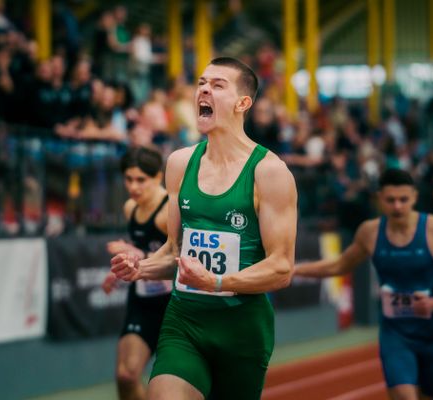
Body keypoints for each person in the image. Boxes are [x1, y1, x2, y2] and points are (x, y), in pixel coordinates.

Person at [111, 57, 297, 400]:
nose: (204, 90)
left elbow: (281, 268)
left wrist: (217, 282)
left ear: (243, 103)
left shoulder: (270, 172)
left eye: (217, 85)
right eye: (201, 83)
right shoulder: (180, 163)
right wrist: (142, 267)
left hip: (242, 329)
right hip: (185, 321)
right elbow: (173, 250)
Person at [295, 168, 433, 400]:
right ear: (379, 200)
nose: (397, 206)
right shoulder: (370, 232)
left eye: (403, 200)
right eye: (390, 200)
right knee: (403, 395)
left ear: (415, 198)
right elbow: (339, 265)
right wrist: (295, 269)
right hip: (396, 334)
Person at [102, 146, 172, 400]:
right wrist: (120, 270)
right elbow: (139, 251)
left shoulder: (168, 212)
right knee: (126, 375)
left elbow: (181, 261)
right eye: (129, 179)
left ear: (157, 177)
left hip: (174, 305)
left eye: (141, 179)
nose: (134, 187)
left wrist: (139, 257)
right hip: (143, 301)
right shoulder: (131, 208)